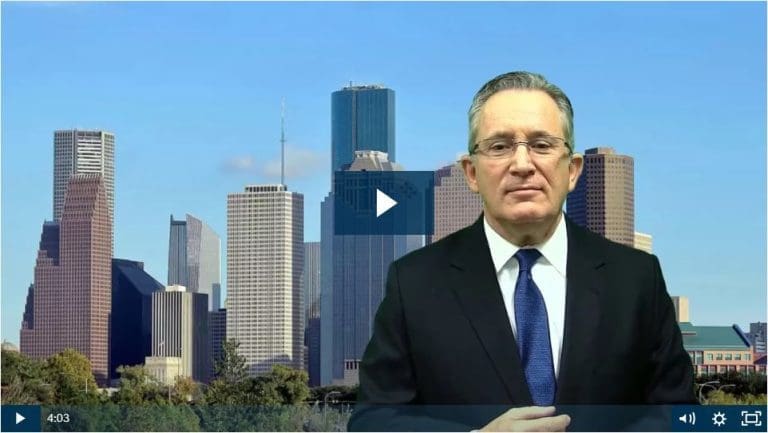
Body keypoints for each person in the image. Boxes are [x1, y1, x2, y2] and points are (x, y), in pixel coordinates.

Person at [348, 71, 697, 432]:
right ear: (471, 173)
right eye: (499, 147)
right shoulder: (415, 282)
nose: (522, 164)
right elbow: (373, 421)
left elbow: (678, 415)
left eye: (542, 145)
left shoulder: (636, 278)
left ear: (573, 170)